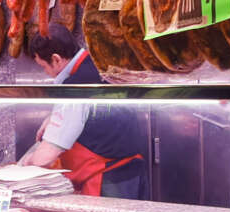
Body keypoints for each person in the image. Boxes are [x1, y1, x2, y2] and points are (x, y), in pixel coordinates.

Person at [17, 25, 149, 197]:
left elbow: (48, 155)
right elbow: (93, 114)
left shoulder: (76, 85)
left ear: (56, 59)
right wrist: (52, 117)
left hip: (108, 182)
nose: (46, 73)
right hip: (132, 173)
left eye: (43, 66)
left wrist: (23, 167)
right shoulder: (97, 64)